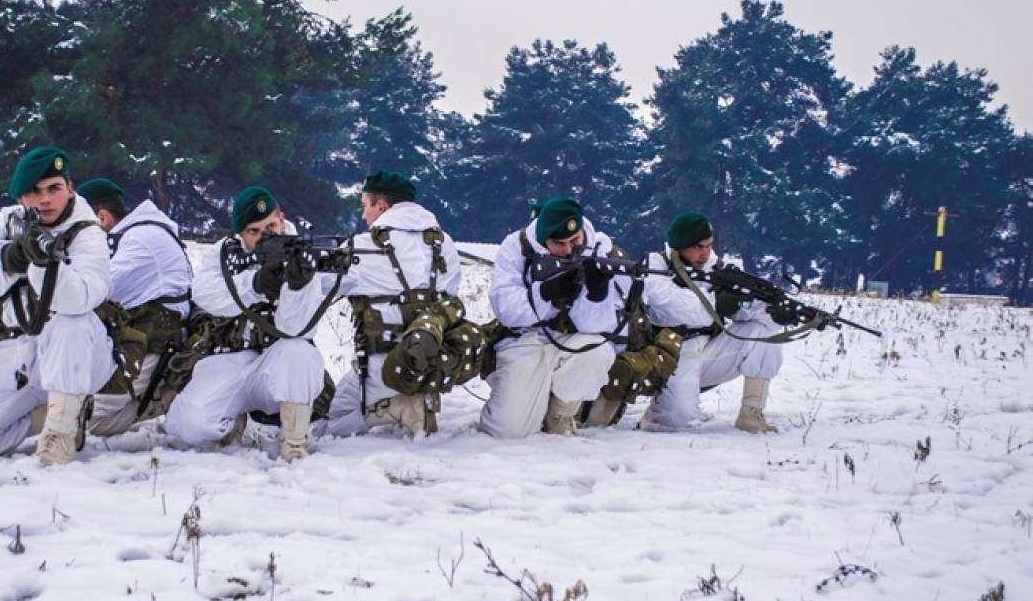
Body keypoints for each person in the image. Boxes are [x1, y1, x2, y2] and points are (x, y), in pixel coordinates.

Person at [0, 146, 114, 464]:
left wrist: (43, 262)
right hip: (21, 348)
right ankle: (57, 412)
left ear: (70, 188)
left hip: (81, 354)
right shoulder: (8, 222)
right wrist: (14, 255)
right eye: (35, 192)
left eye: (54, 188)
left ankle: (60, 435)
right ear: (21, 197)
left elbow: (80, 298)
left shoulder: (87, 232)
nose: (46, 199)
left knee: (69, 320)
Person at [163, 186, 328, 460]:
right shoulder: (224, 254)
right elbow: (204, 293)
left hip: (275, 365)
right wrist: (255, 284)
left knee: (300, 351)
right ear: (239, 233)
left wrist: (297, 286)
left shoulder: (301, 254)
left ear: (282, 218)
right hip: (228, 360)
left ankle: (294, 444)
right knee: (187, 427)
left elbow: (298, 328)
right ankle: (231, 420)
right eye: (254, 231)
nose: (266, 236)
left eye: (271, 226)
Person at [319, 170, 465, 438]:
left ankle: (398, 407)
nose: (364, 215)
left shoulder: (362, 247)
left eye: (365, 206)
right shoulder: (444, 245)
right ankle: (419, 400)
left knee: (332, 422)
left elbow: (319, 285)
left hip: (382, 369)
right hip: (429, 366)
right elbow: (448, 298)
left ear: (381, 206)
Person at [478, 197, 626, 439]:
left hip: (572, 340)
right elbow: (505, 309)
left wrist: (596, 294)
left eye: (574, 240)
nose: (568, 250)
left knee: (597, 351)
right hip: (524, 339)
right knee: (508, 431)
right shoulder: (516, 247)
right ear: (543, 238)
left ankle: (561, 412)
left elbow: (598, 328)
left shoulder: (599, 249)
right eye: (559, 243)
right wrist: (546, 293)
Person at [638, 210, 791, 433]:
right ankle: (658, 409)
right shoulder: (656, 265)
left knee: (765, 328)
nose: (705, 253)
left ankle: (751, 413)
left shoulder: (718, 268)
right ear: (679, 246)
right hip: (670, 354)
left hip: (711, 348)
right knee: (677, 419)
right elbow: (667, 306)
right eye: (697, 247)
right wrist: (718, 304)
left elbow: (745, 304)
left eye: (709, 245)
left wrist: (772, 310)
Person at [75, 178, 194, 436]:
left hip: (153, 343)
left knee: (78, 415)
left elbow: (92, 293)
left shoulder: (140, 241)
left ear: (102, 217)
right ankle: (159, 397)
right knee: (85, 416)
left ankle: (166, 396)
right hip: (143, 341)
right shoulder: (138, 234)